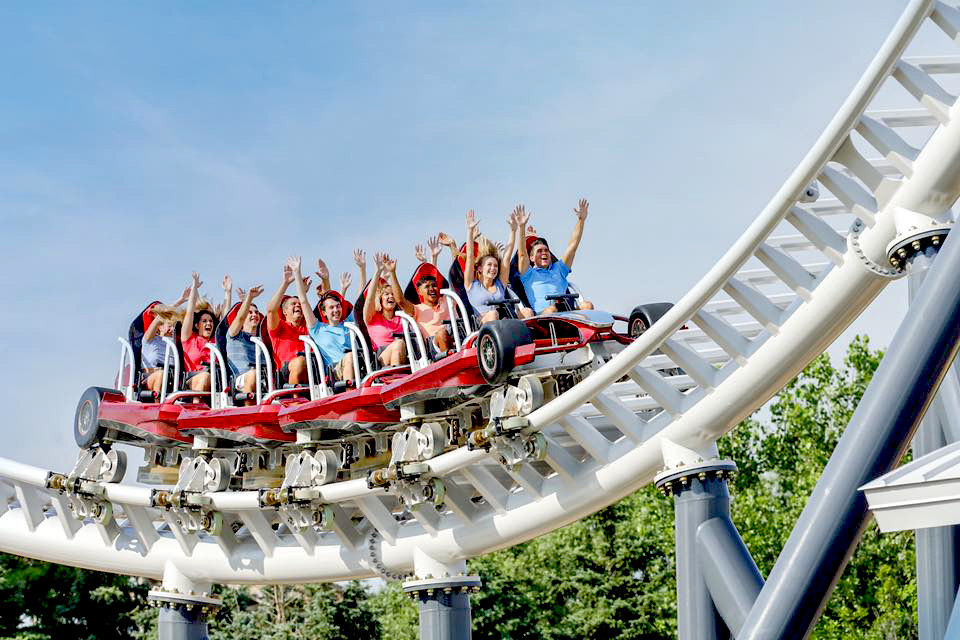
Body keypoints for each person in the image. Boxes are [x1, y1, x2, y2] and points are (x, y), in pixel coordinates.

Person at [517, 199, 595, 315]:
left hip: (566, 313)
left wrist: (581, 220)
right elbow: (522, 254)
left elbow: (572, 246)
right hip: (542, 316)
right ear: (531, 258)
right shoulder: (528, 274)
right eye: (539, 251)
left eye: (546, 250)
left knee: (587, 305)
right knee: (551, 309)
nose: (544, 253)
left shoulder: (559, 269)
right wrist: (522, 228)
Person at [288, 256, 355, 384]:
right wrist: (297, 273)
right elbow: (303, 301)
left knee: (352, 357)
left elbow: (361, 304)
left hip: (355, 365)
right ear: (324, 312)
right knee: (350, 357)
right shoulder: (318, 329)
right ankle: (351, 392)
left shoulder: (348, 324)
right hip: (334, 372)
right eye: (331, 308)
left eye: (338, 306)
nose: (335, 310)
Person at [464, 208, 533, 324]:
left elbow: (506, 256)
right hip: (484, 325)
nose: (493, 268)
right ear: (480, 268)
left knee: (527, 312)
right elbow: (470, 256)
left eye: (495, 266)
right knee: (493, 314)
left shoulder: (500, 284)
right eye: (489, 265)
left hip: (504, 321)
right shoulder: (471, 285)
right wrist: (470, 231)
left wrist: (513, 231)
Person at [390, 254, 451, 357]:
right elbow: (400, 301)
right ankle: (449, 362)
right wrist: (392, 273)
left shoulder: (446, 299)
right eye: (427, 287)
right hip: (435, 345)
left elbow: (461, 282)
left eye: (434, 285)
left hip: (455, 337)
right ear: (420, 292)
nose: (432, 289)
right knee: (442, 334)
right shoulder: (417, 309)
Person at [266, 263, 309, 385]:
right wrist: (285, 283)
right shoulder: (279, 327)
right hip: (286, 371)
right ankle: (294, 398)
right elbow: (271, 310)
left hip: (312, 367)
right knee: (300, 362)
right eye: (293, 304)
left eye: (299, 304)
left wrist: (303, 293)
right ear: (284, 311)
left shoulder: (307, 326)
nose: (298, 306)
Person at [362, 253, 407, 367]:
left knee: (399, 344)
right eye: (387, 294)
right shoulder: (372, 317)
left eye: (393, 295)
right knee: (398, 343)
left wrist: (392, 273)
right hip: (381, 358)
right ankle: (396, 378)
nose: (391, 297)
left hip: (402, 355)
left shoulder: (402, 318)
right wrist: (378, 272)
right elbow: (369, 300)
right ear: (380, 299)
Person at [226, 284, 264, 400]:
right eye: (250, 312)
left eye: (256, 312)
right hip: (241, 378)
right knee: (253, 374)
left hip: (264, 379)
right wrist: (249, 298)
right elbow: (240, 318)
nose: (254, 315)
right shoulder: (234, 335)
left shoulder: (261, 340)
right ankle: (250, 410)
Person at [180, 272, 215, 393]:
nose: (208, 324)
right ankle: (196, 407)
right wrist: (194, 287)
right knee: (205, 377)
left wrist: (228, 293)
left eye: (211, 321)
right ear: (197, 325)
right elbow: (190, 312)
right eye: (204, 321)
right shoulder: (189, 339)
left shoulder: (215, 342)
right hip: (193, 378)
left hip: (216, 380)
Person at [141, 304, 183, 396]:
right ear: (159, 327)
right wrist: (179, 302)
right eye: (169, 325)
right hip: (150, 378)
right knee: (161, 374)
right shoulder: (149, 340)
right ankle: (158, 405)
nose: (172, 329)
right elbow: (159, 318)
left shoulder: (176, 343)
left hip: (172, 380)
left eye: (173, 326)